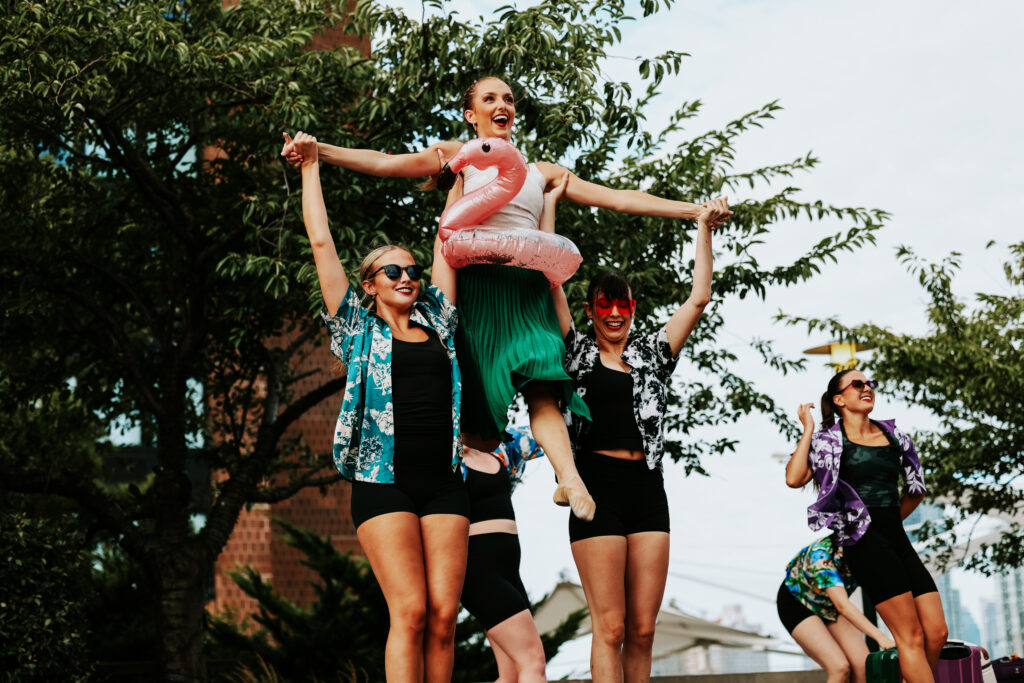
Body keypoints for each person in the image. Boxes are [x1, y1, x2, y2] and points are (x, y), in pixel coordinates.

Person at [280, 75, 727, 522]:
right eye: (490, 98)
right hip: (476, 293)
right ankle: (450, 506)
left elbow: (619, 199)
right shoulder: (458, 157)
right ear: (471, 115)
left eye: (509, 98)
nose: (503, 105)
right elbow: (384, 162)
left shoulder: (542, 173)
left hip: (527, 292)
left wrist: (695, 211)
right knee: (479, 430)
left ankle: (569, 478)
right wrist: (319, 152)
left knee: (543, 385)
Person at [291, 131, 467, 683]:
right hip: (381, 481)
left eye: (411, 271)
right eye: (393, 272)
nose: (407, 278)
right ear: (370, 284)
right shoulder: (355, 329)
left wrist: (458, 176)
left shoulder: (440, 321)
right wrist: (312, 166)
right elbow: (322, 243)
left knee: (444, 619)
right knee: (410, 612)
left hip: (445, 481)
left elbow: (448, 235)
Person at [551, 192, 731, 681]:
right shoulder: (575, 352)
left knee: (644, 630)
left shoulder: (653, 353)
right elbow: (551, 276)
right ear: (590, 310)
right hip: (597, 489)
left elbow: (699, 298)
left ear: (633, 307)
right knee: (610, 628)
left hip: (648, 489)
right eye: (604, 304)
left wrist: (703, 227)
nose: (615, 313)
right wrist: (548, 203)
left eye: (623, 304)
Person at [785, 369, 948, 683]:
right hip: (864, 543)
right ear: (839, 399)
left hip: (896, 538)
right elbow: (794, 478)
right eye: (857, 384)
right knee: (910, 636)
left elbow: (916, 490)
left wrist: (890, 523)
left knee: (937, 632)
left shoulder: (897, 437)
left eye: (869, 383)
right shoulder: (828, 441)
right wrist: (808, 429)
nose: (867, 387)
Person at [461, 426, 548, 683]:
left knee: (511, 674)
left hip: (509, 570)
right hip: (479, 570)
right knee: (533, 661)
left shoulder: (500, 448)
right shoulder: (449, 458)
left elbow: (545, 431)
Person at [778, 535, 896, 683]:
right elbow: (842, 605)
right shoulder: (821, 554)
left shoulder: (869, 554)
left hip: (828, 604)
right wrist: (881, 637)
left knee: (862, 665)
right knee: (840, 668)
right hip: (797, 602)